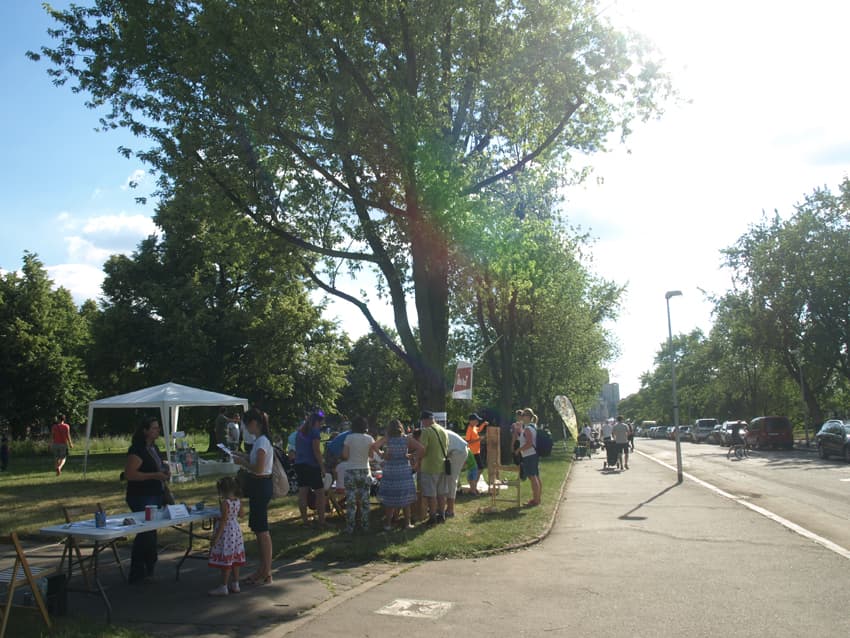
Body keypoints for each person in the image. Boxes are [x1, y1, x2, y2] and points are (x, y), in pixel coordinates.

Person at [124, 417, 170, 583]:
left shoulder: (154, 448)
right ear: (145, 431)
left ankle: (149, 567)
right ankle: (137, 571)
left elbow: (157, 467)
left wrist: (164, 472)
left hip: (156, 493)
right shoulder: (137, 450)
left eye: (158, 428)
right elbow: (130, 474)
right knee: (146, 533)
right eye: (154, 428)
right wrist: (154, 475)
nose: (157, 431)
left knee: (151, 531)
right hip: (141, 495)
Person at [233, 408, 274, 585]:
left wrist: (242, 462)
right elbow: (255, 460)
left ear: (254, 423)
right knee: (258, 529)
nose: (245, 428)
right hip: (259, 485)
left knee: (262, 530)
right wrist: (241, 455)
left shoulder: (262, 441)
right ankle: (263, 569)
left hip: (261, 485)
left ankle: (266, 570)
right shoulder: (260, 441)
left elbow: (258, 468)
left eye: (246, 424)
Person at [372, 419, 423, 530]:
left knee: (389, 499)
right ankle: (407, 523)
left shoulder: (387, 438)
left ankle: (388, 524)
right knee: (405, 499)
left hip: (390, 470)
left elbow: (374, 446)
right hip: (404, 470)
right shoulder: (406, 438)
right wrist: (412, 456)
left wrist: (382, 454)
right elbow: (421, 448)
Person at [207, 476, 246, 596]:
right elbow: (242, 514)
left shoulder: (225, 503)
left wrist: (216, 537)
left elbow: (223, 521)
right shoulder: (238, 501)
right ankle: (235, 583)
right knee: (235, 558)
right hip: (235, 530)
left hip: (226, 533)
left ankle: (223, 586)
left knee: (226, 559)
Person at [340, 416, 375, 534]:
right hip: (365, 470)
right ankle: (365, 525)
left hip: (351, 470)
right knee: (365, 500)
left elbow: (345, 455)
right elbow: (371, 456)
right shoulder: (369, 438)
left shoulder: (349, 438)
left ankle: (350, 527)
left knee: (351, 501)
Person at [294, 411, 327, 527]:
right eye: (321, 423)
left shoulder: (300, 432)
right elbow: (316, 451)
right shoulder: (314, 432)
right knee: (320, 493)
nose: (321, 426)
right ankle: (321, 521)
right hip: (311, 465)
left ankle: (305, 521)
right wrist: (322, 467)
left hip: (299, 464)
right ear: (317, 422)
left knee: (303, 492)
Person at [418, 410, 450, 525]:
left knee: (431, 494)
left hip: (430, 467)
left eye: (422, 421)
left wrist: (417, 460)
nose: (422, 424)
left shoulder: (426, 431)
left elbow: (423, 450)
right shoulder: (443, 430)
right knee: (441, 493)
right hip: (442, 466)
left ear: (425, 420)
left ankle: (432, 518)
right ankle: (442, 515)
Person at [515, 408, 542, 507]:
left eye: (523, 415)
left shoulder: (527, 428)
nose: (521, 417)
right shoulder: (532, 426)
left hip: (529, 455)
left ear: (528, 417)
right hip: (532, 454)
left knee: (532, 477)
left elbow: (529, 443)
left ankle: (536, 500)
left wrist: (519, 450)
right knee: (536, 476)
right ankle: (537, 498)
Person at [444, 427, 469, 518]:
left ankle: (450, 510)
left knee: (451, 479)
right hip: (454, 449)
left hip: (459, 451)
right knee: (445, 478)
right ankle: (441, 507)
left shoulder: (428, 435)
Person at [464, 413, 488, 494]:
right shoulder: (469, 429)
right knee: (476, 469)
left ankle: (473, 487)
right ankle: (473, 488)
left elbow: (479, 430)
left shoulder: (474, 427)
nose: (477, 422)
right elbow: (467, 442)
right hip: (472, 453)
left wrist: (484, 424)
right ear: (471, 421)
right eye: (476, 420)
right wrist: (478, 439)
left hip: (476, 452)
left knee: (479, 469)